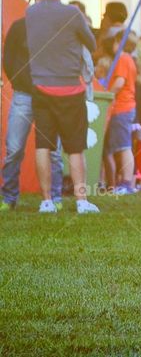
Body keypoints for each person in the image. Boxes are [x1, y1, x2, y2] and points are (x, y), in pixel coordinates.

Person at [24, 0, 100, 214]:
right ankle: (81, 201)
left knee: (43, 145)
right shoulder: (72, 13)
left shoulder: (30, 13)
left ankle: (46, 201)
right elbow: (92, 44)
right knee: (75, 147)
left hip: (41, 88)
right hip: (70, 89)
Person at [1, 17, 64, 211]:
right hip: (24, 94)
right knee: (14, 148)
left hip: (50, 94)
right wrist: (18, 80)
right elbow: (8, 57)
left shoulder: (57, 24)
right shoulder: (20, 26)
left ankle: (55, 197)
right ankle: (9, 197)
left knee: (54, 151)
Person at [102, 31, 138, 195]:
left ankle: (126, 183)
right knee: (120, 145)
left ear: (119, 42)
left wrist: (107, 94)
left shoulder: (122, 59)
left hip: (122, 107)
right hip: (125, 107)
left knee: (124, 146)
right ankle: (122, 182)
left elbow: (119, 82)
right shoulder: (129, 59)